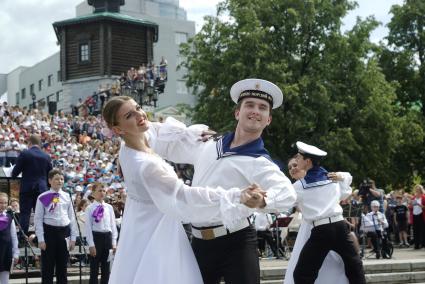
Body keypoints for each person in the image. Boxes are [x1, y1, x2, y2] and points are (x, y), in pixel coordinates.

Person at [102, 96, 266, 284]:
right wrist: (236, 195)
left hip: (139, 225)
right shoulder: (147, 166)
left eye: (138, 107)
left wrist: (197, 134)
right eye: (130, 115)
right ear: (117, 129)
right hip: (157, 231)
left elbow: (154, 129)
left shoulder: (129, 145)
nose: (140, 115)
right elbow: (185, 196)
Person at [148, 78, 296, 284]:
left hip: (237, 241)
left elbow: (288, 194)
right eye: (249, 105)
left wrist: (262, 201)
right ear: (237, 113)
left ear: (268, 119)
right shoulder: (208, 144)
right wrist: (138, 147)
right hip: (199, 242)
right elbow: (169, 146)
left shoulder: (261, 162)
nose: (255, 110)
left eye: (263, 108)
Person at [290, 142, 365, 284]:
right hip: (340, 226)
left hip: (322, 230)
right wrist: (342, 176)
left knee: (302, 274)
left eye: (299, 158)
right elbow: (346, 188)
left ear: (307, 162)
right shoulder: (332, 178)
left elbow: (282, 201)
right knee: (355, 267)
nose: (296, 160)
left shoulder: (300, 186)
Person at [284, 156, 350, 284]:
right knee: (305, 265)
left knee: (333, 263)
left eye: (295, 165)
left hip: (323, 227)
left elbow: (342, 191)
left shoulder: (325, 180)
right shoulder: (295, 188)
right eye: (289, 167)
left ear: (304, 165)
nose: (292, 169)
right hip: (308, 227)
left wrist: (341, 176)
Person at [34, 169, 77, 284]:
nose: (60, 181)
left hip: (64, 232)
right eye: (57, 179)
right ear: (49, 181)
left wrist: (73, 238)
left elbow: (72, 217)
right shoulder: (42, 197)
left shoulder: (67, 196)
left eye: (62, 179)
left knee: (62, 267)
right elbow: (38, 219)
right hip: (49, 233)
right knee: (47, 268)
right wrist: (41, 239)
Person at [12, 134, 53, 235]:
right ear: (39, 144)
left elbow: (14, 173)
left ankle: (23, 238)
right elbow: (50, 176)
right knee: (41, 214)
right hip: (42, 189)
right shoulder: (46, 156)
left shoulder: (25, 153)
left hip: (27, 188)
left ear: (29, 143)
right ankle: (41, 237)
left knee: (25, 213)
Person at [85, 182, 117, 284]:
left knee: (106, 269)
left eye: (104, 191)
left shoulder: (109, 207)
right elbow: (88, 228)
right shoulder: (90, 208)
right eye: (99, 190)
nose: (102, 193)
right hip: (96, 238)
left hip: (107, 238)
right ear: (93, 193)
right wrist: (91, 244)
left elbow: (113, 226)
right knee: (94, 269)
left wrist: (114, 242)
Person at [0, 193, 19, 284]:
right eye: (0, 202)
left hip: (6, 251)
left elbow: (13, 235)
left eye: (5, 203)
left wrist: (15, 252)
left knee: (5, 278)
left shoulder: (9, 216)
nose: (3, 205)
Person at [410, 184, 425, 249]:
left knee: (422, 230)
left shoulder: (423, 197)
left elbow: (424, 207)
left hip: (421, 215)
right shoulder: (413, 198)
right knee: (415, 230)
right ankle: (416, 244)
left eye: (418, 189)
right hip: (414, 215)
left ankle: (422, 244)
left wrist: (419, 204)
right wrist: (410, 205)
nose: (417, 191)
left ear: (421, 190)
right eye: (416, 189)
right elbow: (411, 207)